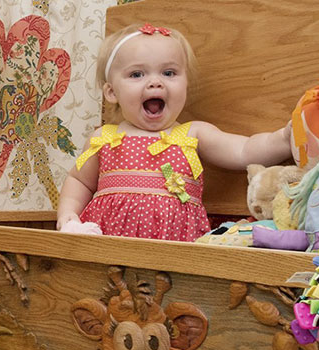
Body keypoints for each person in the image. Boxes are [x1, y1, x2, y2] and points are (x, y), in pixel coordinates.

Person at [57, 23, 292, 241]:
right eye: (137, 74)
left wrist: (283, 138)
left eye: (168, 73)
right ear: (111, 92)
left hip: (174, 253)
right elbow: (79, 181)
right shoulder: (103, 138)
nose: (155, 82)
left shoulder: (192, 135)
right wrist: (68, 218)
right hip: (107, 251)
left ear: (185, 86)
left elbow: (244, 150)